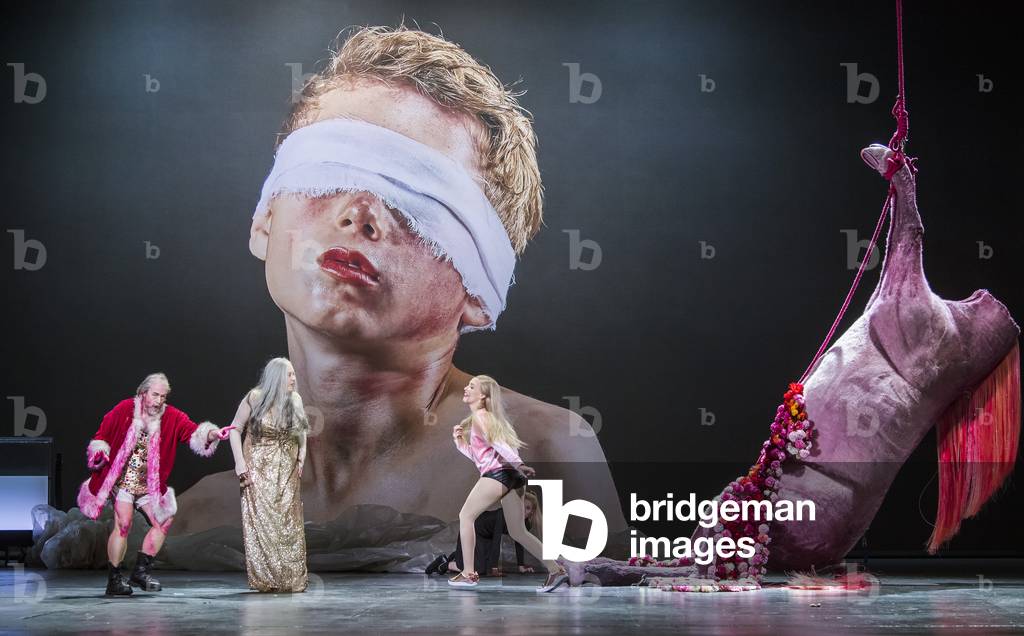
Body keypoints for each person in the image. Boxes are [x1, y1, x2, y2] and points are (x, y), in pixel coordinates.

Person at [173, 24, 626, 555]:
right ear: (264, 221)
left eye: (419, 199)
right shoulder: (195, 519)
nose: (360, 212)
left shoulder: (545, 454)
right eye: (330, 169)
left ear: (480, 292)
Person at [77, 373, 233, 596]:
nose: (159, 401)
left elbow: (193, 433)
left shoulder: (172, 416)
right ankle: (114, 579)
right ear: (143, 393)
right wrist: (100, 452)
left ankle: (140, 572)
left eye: (163, 396)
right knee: (124, 524)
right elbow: (101, 437)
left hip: (148, 485)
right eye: (155, 395)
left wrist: (213, 433)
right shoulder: (124, 409)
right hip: (122, 481)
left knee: (164, 521)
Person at [448, 375, 569, 592]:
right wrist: (460, 444)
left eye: (472, 386)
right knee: (518, 532)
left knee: (466, 516)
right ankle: (556, 570)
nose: (466, 388)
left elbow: (499, 444)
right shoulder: (486, 418)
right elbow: (481, 458)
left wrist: (519, 463)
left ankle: (468, 573)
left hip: (499, 475)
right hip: (510, 476)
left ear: (483, 395)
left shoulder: (481, 417)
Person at [226, 358, 309, 592]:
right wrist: (240, 463)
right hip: (258, 469)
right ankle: (267, 579)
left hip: (287, 469)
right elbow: (234, 429)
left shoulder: (295, 399)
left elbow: (302, 431)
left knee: (288, 524)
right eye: (289, 374)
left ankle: (290, 579)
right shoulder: (255, 397)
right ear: (276, 377)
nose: (293, 378)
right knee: (263, 524)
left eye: (294, 374)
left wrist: (302, 455)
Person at [427, 489, 543, 577]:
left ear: (532, 512)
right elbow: (497, 540)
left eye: (528, 508)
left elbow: (519, 542)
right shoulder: (504, 515)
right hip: (475, 529)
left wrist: (521, 566)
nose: (523, 510)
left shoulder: (525, 524)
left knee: (482, 569)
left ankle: (456, 557)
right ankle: (445, 564)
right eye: (521, 506)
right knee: (478, 570)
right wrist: (494, 568)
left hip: (487, 537)